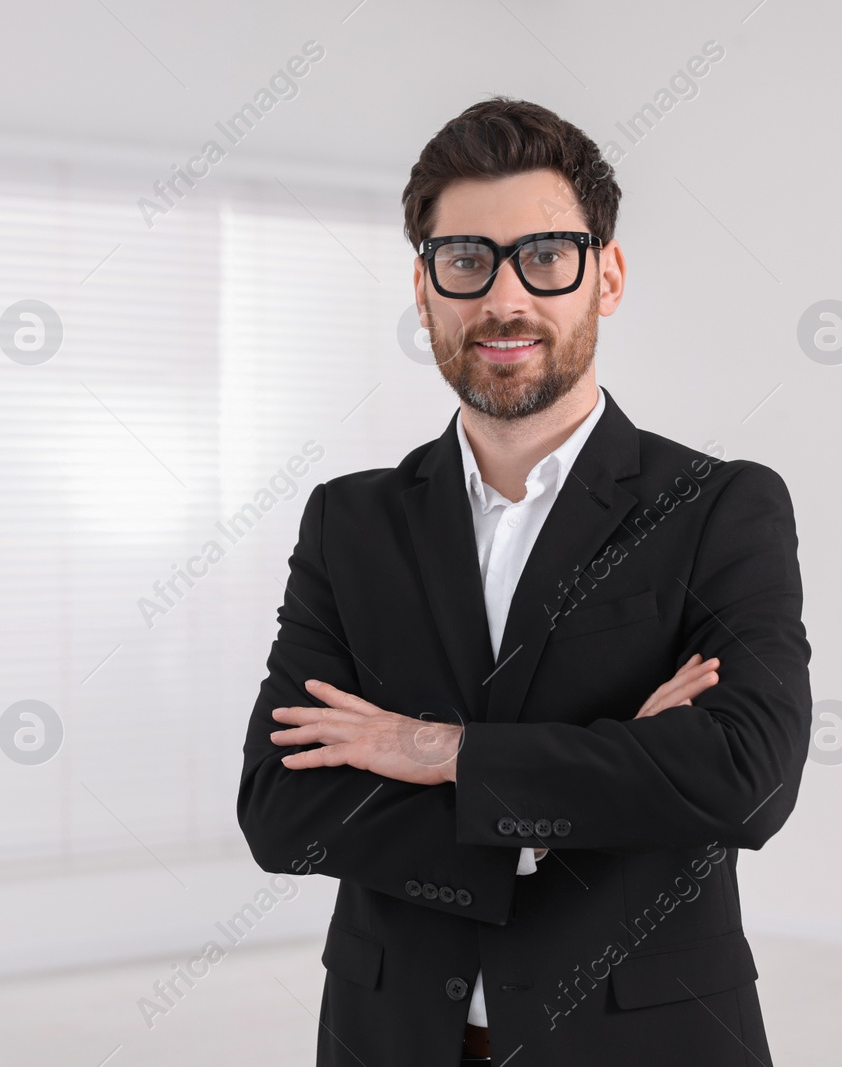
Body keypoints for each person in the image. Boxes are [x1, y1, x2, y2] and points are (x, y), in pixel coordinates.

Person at [237, 97, 811, 1065]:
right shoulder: (350, 521)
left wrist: (440, 750)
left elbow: (745, 783)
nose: (505, 298)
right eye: (466, 260)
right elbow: (282, 810)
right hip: (394, 1036)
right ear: (424, 290)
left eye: (545, 255)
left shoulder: (718, 506)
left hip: (644, 1039)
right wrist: (618, 763)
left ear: (606, 275)